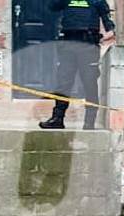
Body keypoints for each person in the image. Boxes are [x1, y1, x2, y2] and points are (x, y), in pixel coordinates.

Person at [38, 0, 115, 130]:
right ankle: (57, 119)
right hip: (68, 43)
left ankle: (89, 122)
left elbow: (108, 23)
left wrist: (106, 36)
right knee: (63, 82)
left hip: (88, 44)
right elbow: (52, 6)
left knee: (90, 83)